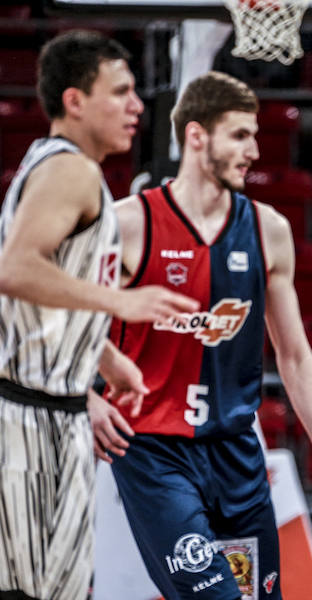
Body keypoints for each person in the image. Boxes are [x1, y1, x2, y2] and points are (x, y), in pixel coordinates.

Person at [88, 71, 312, 600]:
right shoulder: (128, 224)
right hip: (153, 449)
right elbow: (64, 319)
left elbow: (296, 357)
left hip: (236, 449)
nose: (254, 150)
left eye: (255, 136)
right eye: (239, 135)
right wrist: (87, 399)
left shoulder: (268, 229)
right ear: (195, 135)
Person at [0, 31, 199, 600]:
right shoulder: (73, 172)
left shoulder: (61, 167)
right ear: (75, 101)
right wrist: (122, 303)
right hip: (30, 422)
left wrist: (106, 357)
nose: (137, 105)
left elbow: (45, 293)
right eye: (121, 91)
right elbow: (15, 271)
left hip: (48, 413)